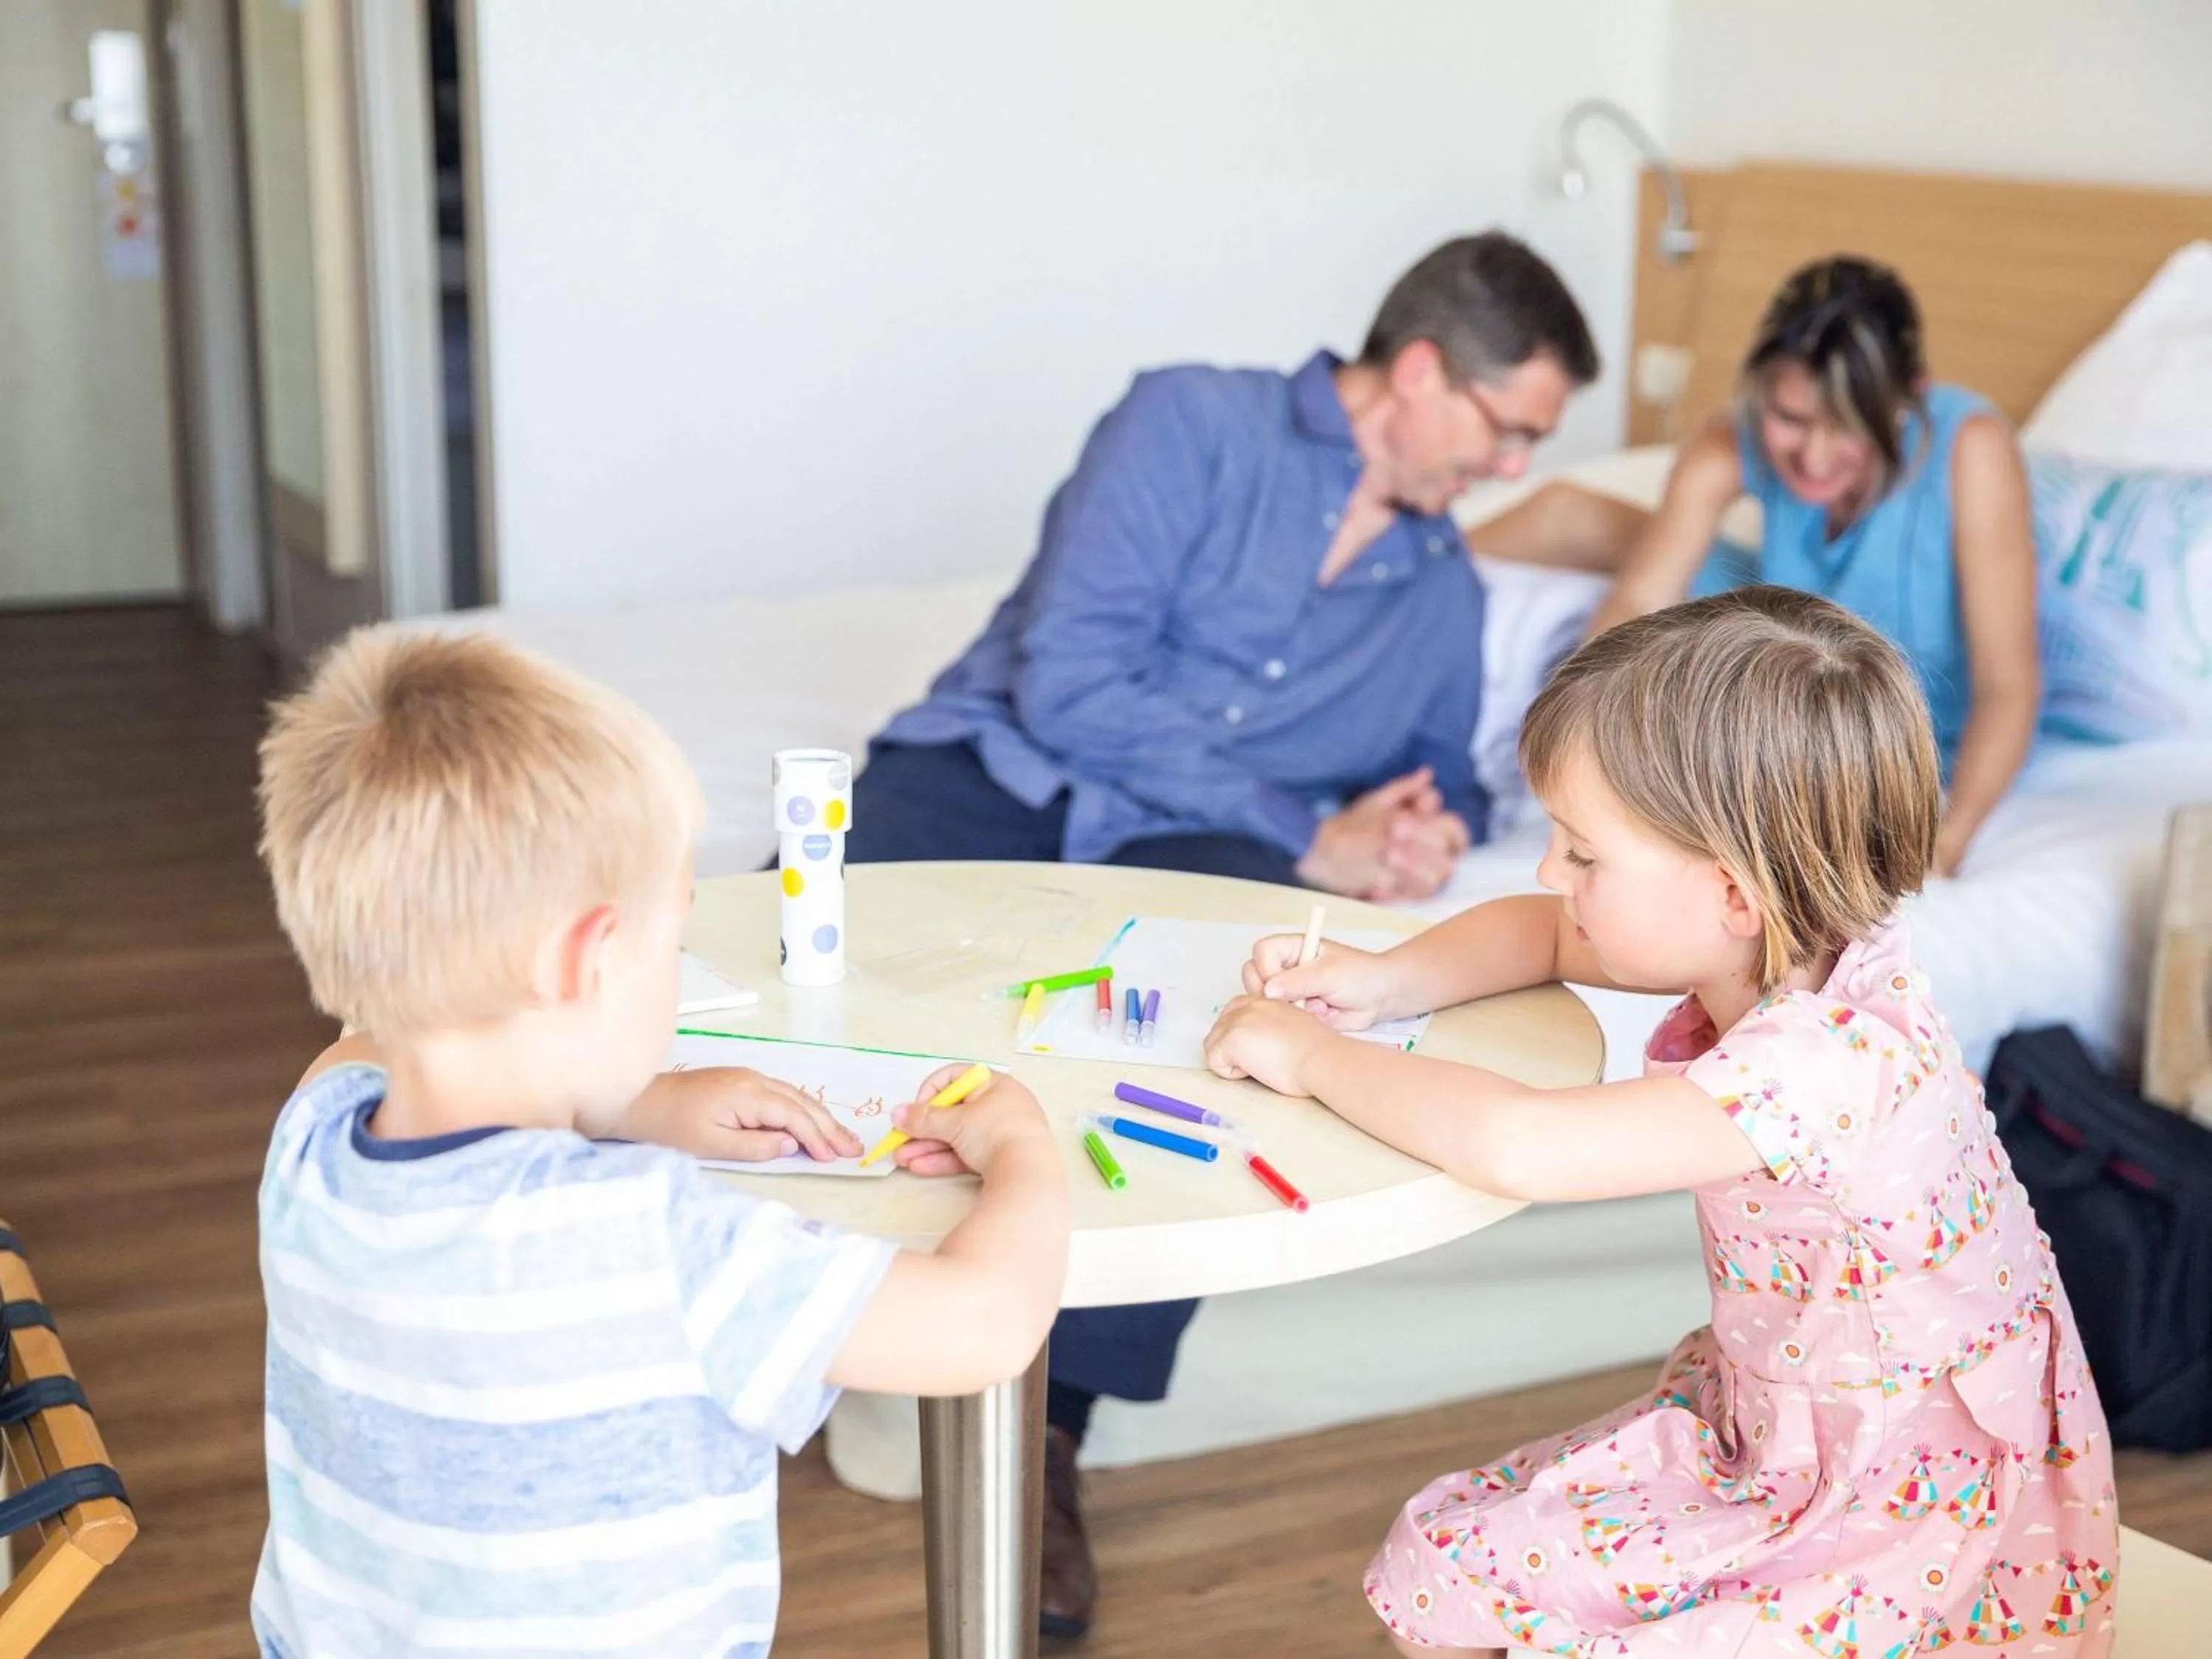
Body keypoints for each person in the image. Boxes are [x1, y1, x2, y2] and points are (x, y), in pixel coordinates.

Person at [841, 232, 1601, 1635]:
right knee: (814, 964)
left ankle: (1048, 1433)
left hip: (1185, 853)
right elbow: (1068, 679)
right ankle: (772, 1309)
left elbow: (1442, 764)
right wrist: (1307, 825)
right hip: (996, 766)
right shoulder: (1191, 421)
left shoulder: (1440, 589)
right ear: (1423, 373)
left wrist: (1416, 831)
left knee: (1224, 1035)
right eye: (1511, 432)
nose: (1510, 474)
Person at [1206, 588, 2118, 1657]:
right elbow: (1542, 933)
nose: (1555, 872)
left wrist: (1315, 1055)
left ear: (1732, 890)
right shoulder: (1782, 939)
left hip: (1897, 1517)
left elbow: (1521, 1143)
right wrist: (1379, 982)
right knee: (1454, 1563)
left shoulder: (1825, 1063)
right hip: (1796, 1434)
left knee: (1463, 1584)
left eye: (1585, 854)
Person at [250, 628, 1069, 1658]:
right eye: (670, 939)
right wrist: (1022, 1140)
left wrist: (636, 1099)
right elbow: (982, 1327)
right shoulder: (651, 1232)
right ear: (589, 957)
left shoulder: (311, 1143)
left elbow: (377, 1039)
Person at [1470, 256, 2039, 875]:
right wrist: (1577, 746)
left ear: (1911, 398)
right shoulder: (1731, 438)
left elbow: (2009, 684)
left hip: (1890, 714)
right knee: (1573, 513)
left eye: (1848, 428)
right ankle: (1412, 561)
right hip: (1795, 628)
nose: (1815, 457)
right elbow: (1637, 601)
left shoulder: (1971, 449)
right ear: (1762, 389)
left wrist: (1947, 843)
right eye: (1790, 419)